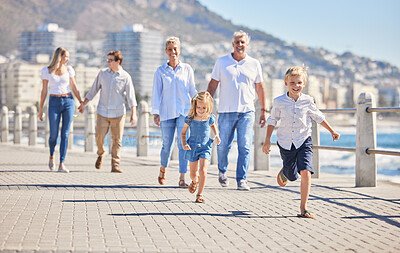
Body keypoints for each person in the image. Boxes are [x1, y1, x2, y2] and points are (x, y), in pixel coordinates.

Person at [262, 66, 340, 218]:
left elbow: (318, 117)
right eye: (292, 82)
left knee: (306, 171)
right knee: (292, 176)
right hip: (285, 143)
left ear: (303, 84)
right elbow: (272, 120)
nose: (295, 86)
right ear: (286, 83)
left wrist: (332, 131)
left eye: (299, 82)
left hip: (304, 141)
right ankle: (286, 171)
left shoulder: (308, 100)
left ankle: (303, 208)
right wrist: (267, 141)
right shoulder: (279, 102)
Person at [207, 30, 267, 190]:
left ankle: (242, 179)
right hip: (226, 111)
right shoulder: (221, 62)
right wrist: (207, 105)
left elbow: (260, 87)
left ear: (247, 44)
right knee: (223, 145)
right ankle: (222, 171)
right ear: (233, 44)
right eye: (237, 42)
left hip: (247, 112)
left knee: (245, 146)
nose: (240, 45)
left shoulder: (254, 64)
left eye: (243, 42)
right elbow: (213, 84)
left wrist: (263, 110)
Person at [78, 51, 137, 173]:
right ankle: (101, 153)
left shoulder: (126, 77)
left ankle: (115, 165)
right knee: (99, 137)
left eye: (110, 60)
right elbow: (93, 91)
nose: (108, 62)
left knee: (117, 140)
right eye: (108, 60)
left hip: (118, 113)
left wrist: (134, 114)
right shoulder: (102, 74)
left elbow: (131, 97)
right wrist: (83, 104)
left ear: (118, 62)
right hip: (102, 112)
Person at [151, 36, 197, 187]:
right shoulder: (160, 71)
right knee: (167, 145)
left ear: (179, 50)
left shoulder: (187, 69)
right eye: (170, 49)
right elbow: (156, 93)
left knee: (184, 144)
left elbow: (192, 89)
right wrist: (156, 113)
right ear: (166, 51)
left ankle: (182, 177)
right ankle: (163, 169)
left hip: (184, 112)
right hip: (166, 112)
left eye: (175, 49)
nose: (173, 52)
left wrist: (198, 107)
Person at [39, 47, 83, 173]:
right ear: (59, 57)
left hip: (68, 101)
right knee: (53, 135)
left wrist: (80, 102)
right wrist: (40, 109)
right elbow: (44, 91)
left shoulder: (69, 69)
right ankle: (52, 155)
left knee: (65, 134)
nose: (68, 59)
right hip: (54, 102)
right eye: (66, 56)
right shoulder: (46, 71)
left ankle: (61, 164)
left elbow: (74, 86)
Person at [181, 92, 221, 203]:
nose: (201, 110)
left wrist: (216, 135)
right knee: (193, 174)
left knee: (203, 171)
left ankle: (199, 195)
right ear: (195, 106)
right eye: (199, 107)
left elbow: (213, 126)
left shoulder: (210, 118)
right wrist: (184, 144)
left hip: (205, 147)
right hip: (192, 147)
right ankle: (194, 181)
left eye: (204, 107)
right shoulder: (190, 118)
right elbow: (183, 133)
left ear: (208, 107)